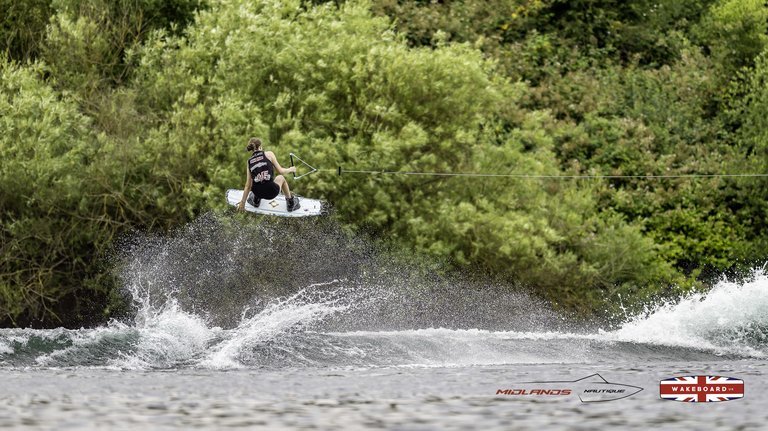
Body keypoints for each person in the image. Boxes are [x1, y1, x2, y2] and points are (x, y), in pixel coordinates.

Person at [237, 137, 300, 212]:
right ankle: (290, 203)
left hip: (258, 192)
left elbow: (248, 186)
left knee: (256, 180)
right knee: (280, 178)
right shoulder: (269, 154)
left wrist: (242, 203)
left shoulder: (249, 162)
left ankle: (256, 201)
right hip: (272, 192)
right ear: (260, 147)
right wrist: (291, 169)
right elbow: (281, 171)